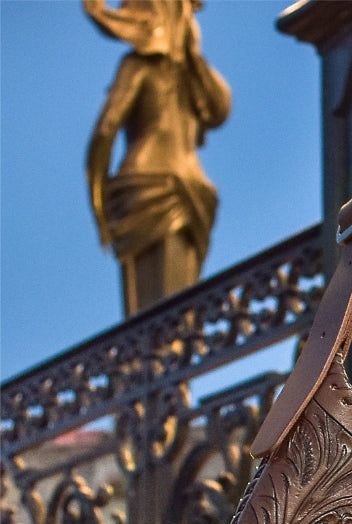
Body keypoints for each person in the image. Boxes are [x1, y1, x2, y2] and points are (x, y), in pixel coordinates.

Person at [85, 0, 231, 314]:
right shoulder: (199, 84)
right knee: (179, 315)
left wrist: (98, 205)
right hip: (195, 186)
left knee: (150, 327)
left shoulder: (138, 66)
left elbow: (104, 132)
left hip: (142, 186)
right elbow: (220, 109)